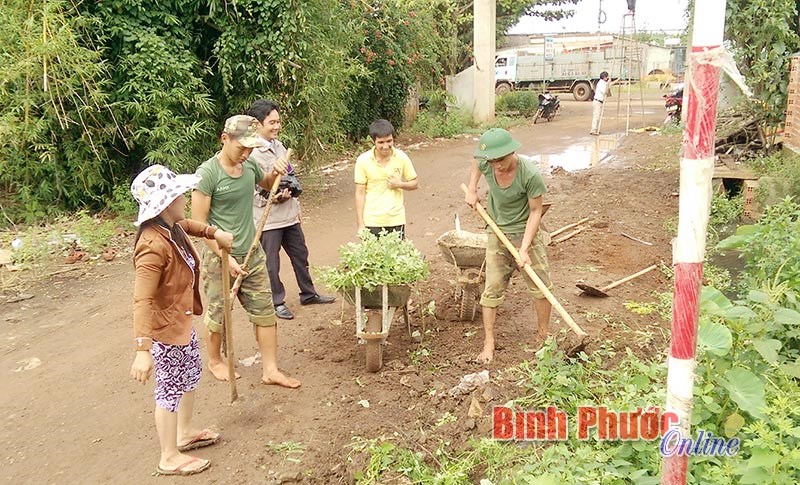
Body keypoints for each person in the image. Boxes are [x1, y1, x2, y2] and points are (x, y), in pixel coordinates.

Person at [130, 164, 233, 476]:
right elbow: (142, 300)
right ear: (165, 204)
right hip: (165, 331)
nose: (185, 198)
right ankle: (168, 456)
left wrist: (214, 232)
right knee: (169, 389)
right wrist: (142, 350)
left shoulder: (169, 227)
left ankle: (184, 433)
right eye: (179, 195)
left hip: (181, 320)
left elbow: (189, 224)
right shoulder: (151, 245)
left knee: (190, 374)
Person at [191, 115, 301, 388]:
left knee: (265, 310)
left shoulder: (249, 164)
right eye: (241, 147)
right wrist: (224, 258)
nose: (246, 153)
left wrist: (277, 171)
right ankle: (216, 361)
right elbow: (199, 226)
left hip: (252, 252)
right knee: (218, 312)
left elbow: (266, 183)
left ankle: (270, 369)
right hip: (219, 257)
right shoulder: (207, 174)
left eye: (251, 148)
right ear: (224, 138)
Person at [465, 128, 553, 364]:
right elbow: (476, 161)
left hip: (525, 233)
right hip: (496, 231)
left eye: (501, 160)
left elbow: (536, 213)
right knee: (491, 288)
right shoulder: (488, 164)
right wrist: (473, 189)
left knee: (541, 287)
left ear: (512, 152)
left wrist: (523, 248)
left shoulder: (530, 175)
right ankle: (489, 342)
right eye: (492, 162)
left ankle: (543, 335)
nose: (497, 167)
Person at [245, 100, 335, 320]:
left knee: (300, 255)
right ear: (258, 124)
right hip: (268, 220)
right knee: (271, 264)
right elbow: (250, 189)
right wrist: (272, 198)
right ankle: (277, 302)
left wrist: (294, 199)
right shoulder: (251, 153)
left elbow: (290, 176)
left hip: (289, 216)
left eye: (278, 122)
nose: (276, 126)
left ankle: (309, 293)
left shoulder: (279, 146)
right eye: (271, 122)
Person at [354, 119, 418, 239]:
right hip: (372, 220)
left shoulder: (401, 157)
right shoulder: (363, 161)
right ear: (373, 141)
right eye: (381, 142)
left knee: (397, 256)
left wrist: (399, 184)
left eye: (389, 141)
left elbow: (414, 183)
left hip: (396, 219)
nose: (385, 146)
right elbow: (360, 194)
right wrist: (360, 224)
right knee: (373, 257)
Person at [590, 71, 616, 136]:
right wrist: (608, 84)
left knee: (598, 116)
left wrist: (617, 80)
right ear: (604, 77)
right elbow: (605, 92)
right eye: (607, 77)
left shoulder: (604, 83)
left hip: (600, 102)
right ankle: (593, 130)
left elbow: (610, 84)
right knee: (596, 116)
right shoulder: (601, 84)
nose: (608, 78)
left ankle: (596, 129)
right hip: (597, 101)